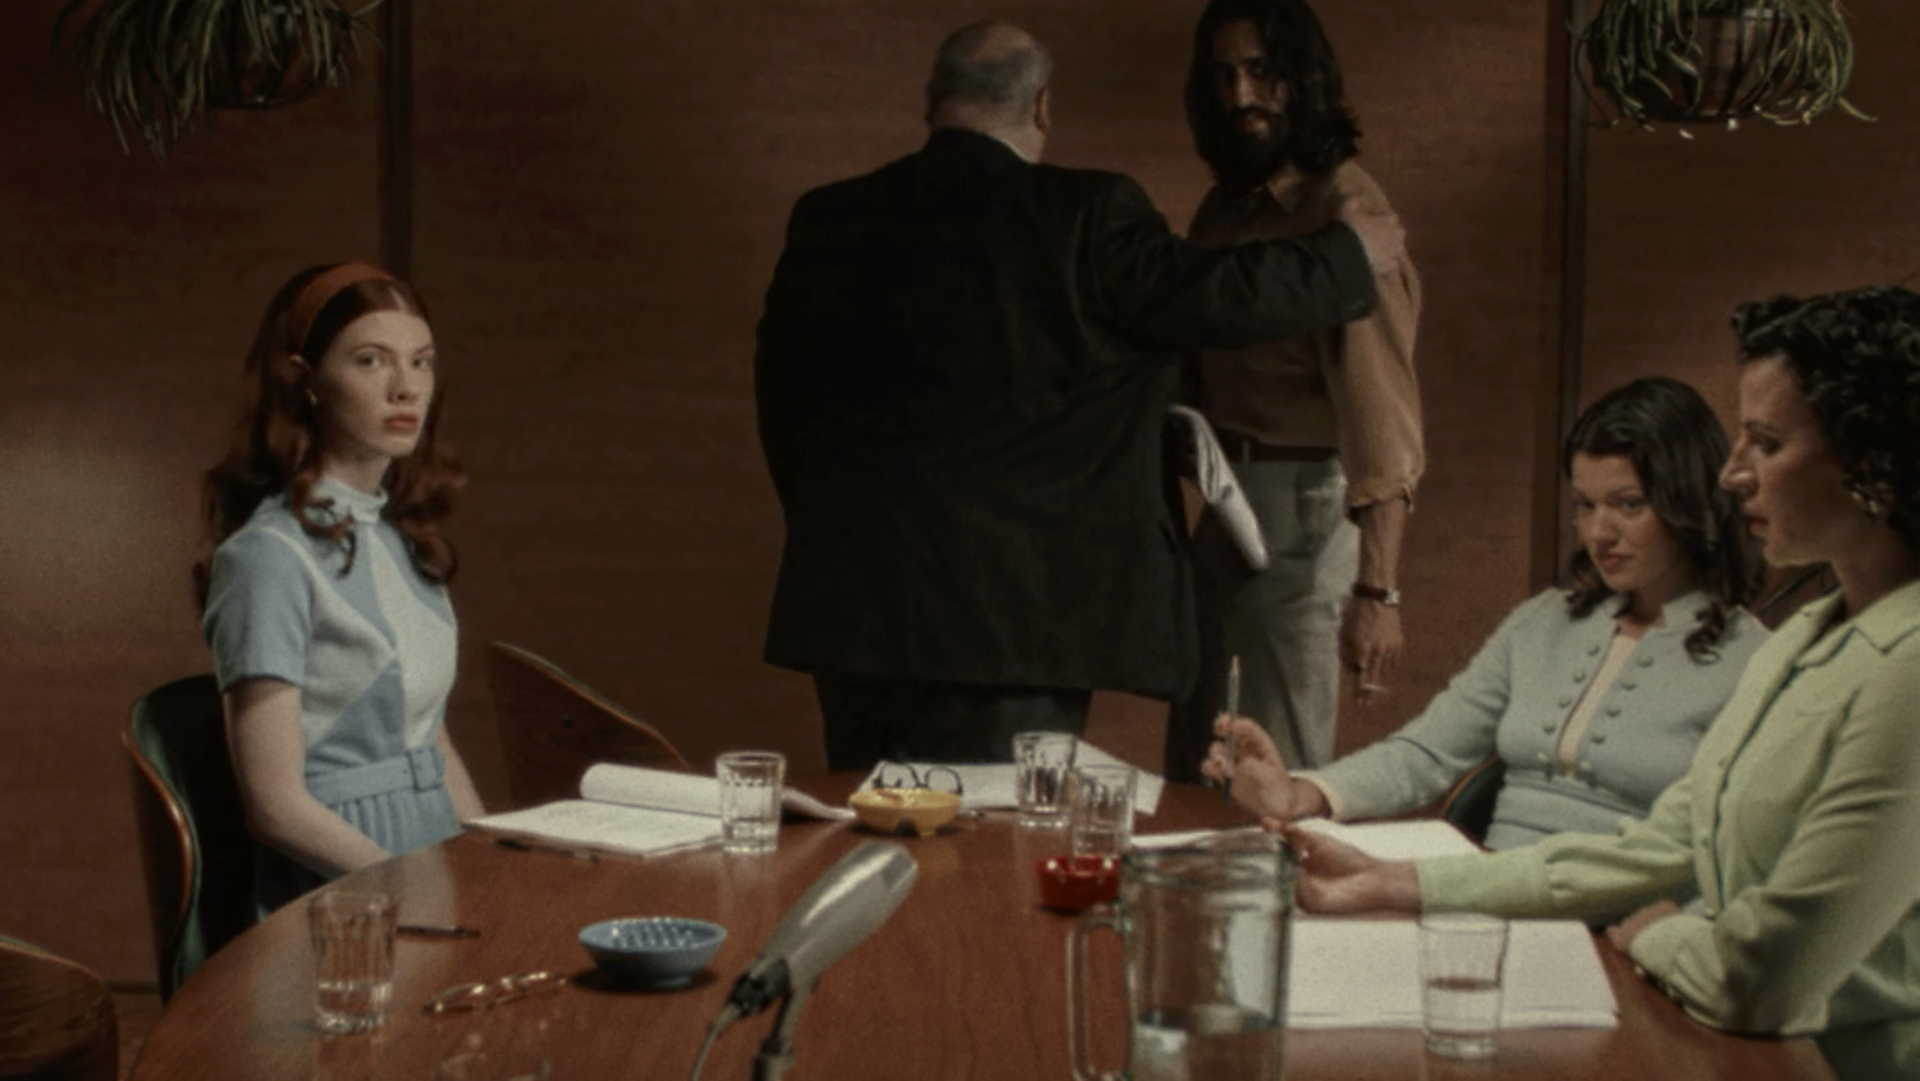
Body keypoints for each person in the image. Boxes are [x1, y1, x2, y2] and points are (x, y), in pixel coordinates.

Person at [1271, 286, 1920, 1080]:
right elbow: (1659, 843)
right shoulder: (1814, 631)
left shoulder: (1901, 669)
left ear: (1873, 462)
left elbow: (1762, 979)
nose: (1733, 473)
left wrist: (1655, 934)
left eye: (1768, 442)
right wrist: (1394, 881)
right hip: (1717, 1034)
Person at [753, 20, 1407, 772]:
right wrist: (1345, 254)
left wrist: (836, 526)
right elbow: (1213, 294)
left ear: (933, 102)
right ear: (1041, 107)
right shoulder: (1086, 215)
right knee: (995, 833)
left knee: (873, 816)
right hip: (1015, 623)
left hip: (853, 608)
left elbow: (782, 402)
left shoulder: (828, 218)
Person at [1203, 376, 1764, 849]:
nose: (1599, 532)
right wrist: (1301, 794)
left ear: (1688, 500)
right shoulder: (1544, 620)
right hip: (1488, 897)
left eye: (1629, 505)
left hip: (1623, 920)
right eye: (1585, 506)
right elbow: (1425, 754)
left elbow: (1743, 852)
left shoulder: (1755, 660)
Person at [1165, 0, 1425, 783]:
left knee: (1268, 775)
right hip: (1222, 508)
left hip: (1303, 516)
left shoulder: (1347, 209)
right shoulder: (1224, 209)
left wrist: (1378, 591)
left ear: (1302, 77)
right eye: (1224, 76)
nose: (1240, 95)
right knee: (1197, 767)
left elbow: (1384, 423)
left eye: (1261, 71)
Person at [195, 261, 486, 916]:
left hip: (432, 841)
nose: (405, 388)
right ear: (306, 381)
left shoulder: (403, 543)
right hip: (338, 883)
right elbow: (275, 806)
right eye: (370, 360)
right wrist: (412, 889)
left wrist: (484, 860)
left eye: (421, 362)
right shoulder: (268, 557)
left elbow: (429, 736)